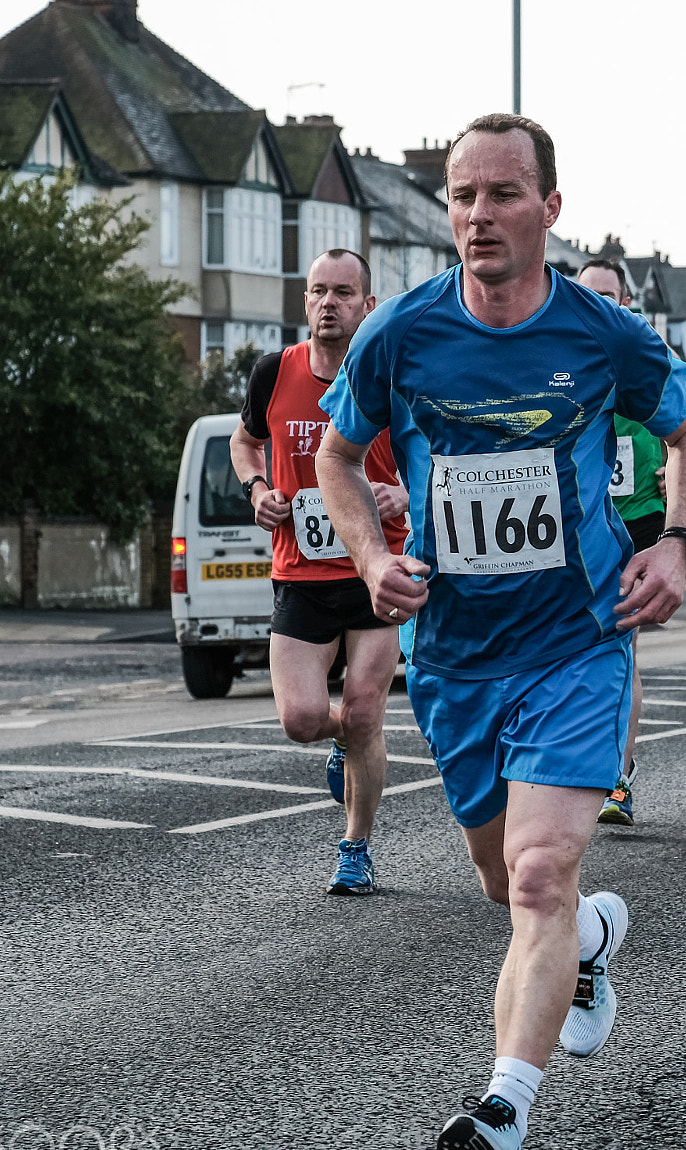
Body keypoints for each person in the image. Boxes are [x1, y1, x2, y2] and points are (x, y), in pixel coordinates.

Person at [315, 113, 686, 1150]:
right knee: (506, 882)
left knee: (538, 869)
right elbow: (338, 457)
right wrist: (369, 557)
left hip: (578, 640)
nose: (479, 215)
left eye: (502, 193)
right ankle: (589, 936)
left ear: (549, 206)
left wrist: (675, 542)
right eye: (462, 196)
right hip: (455, 652)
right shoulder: (400, 332)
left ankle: (503, 1111)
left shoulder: (600, 333)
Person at [229, 248, 405, 895]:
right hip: (299, 574)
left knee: (364, 713)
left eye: (343, 293)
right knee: (302, 718)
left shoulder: (386, 375)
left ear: (365, 304)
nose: (329, 303)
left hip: (374, 571)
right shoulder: (275, 372)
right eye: (318, 292)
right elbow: (245, 440)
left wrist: (404, 495)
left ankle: (355, 847)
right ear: (305, 302)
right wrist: (255, 488)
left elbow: (434, 452)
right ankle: (340, 741)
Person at [574, 257, 686, 826]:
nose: (603, 304)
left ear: (627, 301)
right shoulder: (564, 353)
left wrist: (673, 468)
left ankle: (617, 780)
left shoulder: (646, 351)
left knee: (622, 652)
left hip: (637, 521)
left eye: (611, 295)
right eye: (590, 295)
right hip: (579, 524)